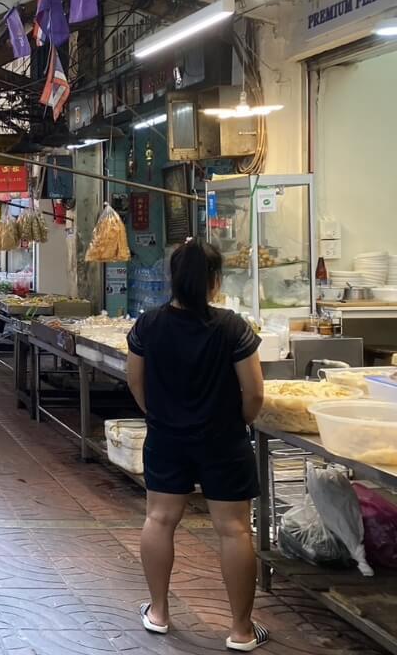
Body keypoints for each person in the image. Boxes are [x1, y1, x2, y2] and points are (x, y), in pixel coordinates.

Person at [126, 239, 267, 651]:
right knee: (234, 529)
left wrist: (160, 415)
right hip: (224, 440)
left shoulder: (148, 325)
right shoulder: (232, 327)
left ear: (172, 278)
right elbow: (255, 392)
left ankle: (158, 612)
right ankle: (241, 630)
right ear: (215, 281)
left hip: (167, 438)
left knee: (159, 519)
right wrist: (238, 421)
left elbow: (135, 380)